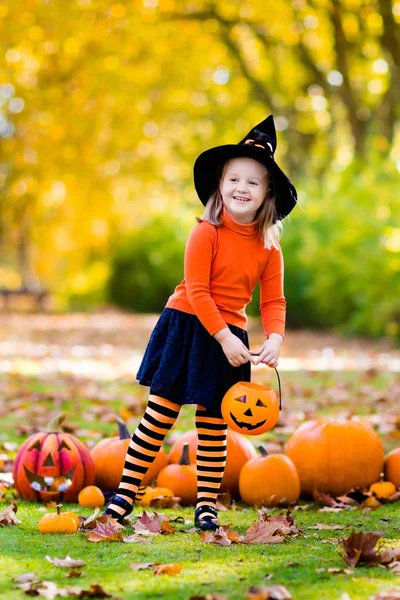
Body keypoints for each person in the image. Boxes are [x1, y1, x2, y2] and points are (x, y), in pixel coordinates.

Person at [103, 114, 297, 531]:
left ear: (267, 195)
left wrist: (276, 338)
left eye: (253, 182)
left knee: (214, 424)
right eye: (234, 179)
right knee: (160, 416)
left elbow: (274, 300)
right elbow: (198, 289)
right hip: (189, 326)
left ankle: (205, 504)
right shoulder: (205, 233)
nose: (242, 188)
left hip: (231, 337)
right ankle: (123, 496)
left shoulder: (268, 249)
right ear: (220, 186)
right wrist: (223, 336)